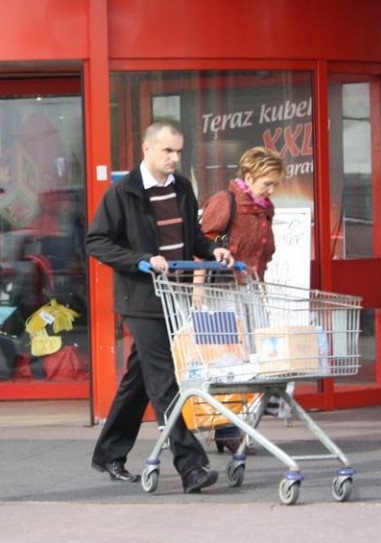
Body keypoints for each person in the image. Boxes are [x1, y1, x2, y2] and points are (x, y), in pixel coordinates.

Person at [86, 121, 233, 493]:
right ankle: (192, 466)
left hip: (175, 295)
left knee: (140, 379)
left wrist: (211, 249)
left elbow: (192, 236)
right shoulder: (124, 193)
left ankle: (108, 453)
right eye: (167, 151)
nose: (174, 158)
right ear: (147, 149)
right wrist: (140, 259)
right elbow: (97, 241)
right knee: (164, 380)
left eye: (179, 151)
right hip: (141, 299)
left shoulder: (182, 187)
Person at [199, 145, 286, 454]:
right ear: (249, 177)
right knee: (228, 361)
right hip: (223, 291)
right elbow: (203, 245)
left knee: (252, 359)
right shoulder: (226, 202)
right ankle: (226, 428)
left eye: (275, 184)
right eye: (267, 183)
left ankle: (239, 425)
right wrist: (198, 293)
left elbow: (263, 251)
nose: (272, 190)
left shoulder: (265, 208)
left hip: (251, 289)